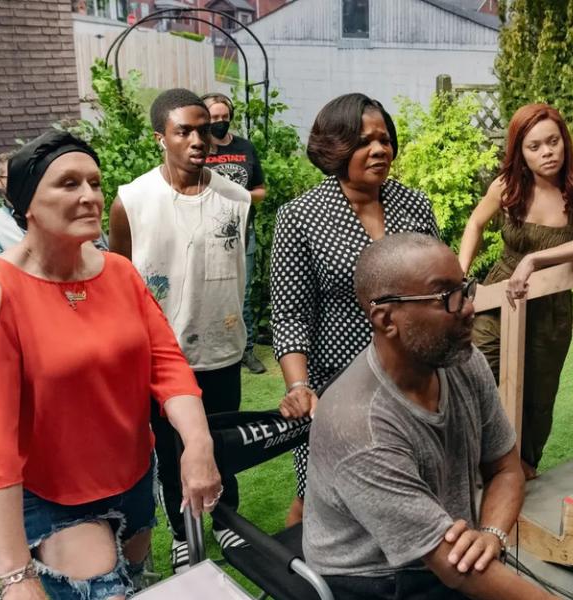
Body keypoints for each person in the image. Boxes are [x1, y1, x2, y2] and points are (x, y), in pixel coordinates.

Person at [0, 130, 221, 600]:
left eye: (94, 182)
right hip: (49, 492)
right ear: (26, 202)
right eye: (68, 184)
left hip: (132, 475)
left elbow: (166, 365)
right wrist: (14, 574)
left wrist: (198, 442)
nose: (89, 196)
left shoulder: (120, 273)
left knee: (134, 578)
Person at [304, 232, 558, 600]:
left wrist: (491, 536)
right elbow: (455, 569)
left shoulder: (461, 360)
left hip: (446, 553)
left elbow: (505, 468)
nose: (469, 307)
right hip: (374, 579)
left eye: (464, 288)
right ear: (385, 319)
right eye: (447, 297)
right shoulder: (361, 426)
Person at [270, 92, 440, 525]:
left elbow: (437, 288)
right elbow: (290, 314)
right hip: (340, 388)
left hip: (411, 379)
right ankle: (297, 584)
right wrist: (298, 386)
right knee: (321, 498)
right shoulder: (301, 216)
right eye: (365, 141)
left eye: (384, 139)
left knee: (407, 491)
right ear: (337, 147)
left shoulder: (414, 205)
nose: (380, 149)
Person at [109, 88, 252, 572]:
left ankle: (227, 520)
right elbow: (119, 278)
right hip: (160, 358)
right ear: (160, 138)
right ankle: (181, 530)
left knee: (223, 444)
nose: (197, 140)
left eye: (204, 129)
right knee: (172, 455)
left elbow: (235, 268)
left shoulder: (234, 198)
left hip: (221, 348)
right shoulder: (132, 200)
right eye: (182, 131)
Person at [458, 103, 573, 480]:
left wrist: (536, 260)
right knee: (476, 380)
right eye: (534, 146)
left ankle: (522, 467)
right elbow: (475, 224)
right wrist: (458, 278)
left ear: (565, 141)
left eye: (553, 141)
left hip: (550, 307)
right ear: (520, 153)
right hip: (498, 298)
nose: (547, 152)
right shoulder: (507, 187)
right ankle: (473, 466)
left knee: (539, 395)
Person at [202, 93, 268, 375]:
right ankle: (213, 346)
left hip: (243, 232)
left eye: (224, 117)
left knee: (242, 292)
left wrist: (236, 196)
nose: (220, 122)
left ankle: (246, 349)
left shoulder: (245, 148)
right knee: (209, 290)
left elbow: (261, 191)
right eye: (214, 118)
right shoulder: (199, 148)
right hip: (206, 234)